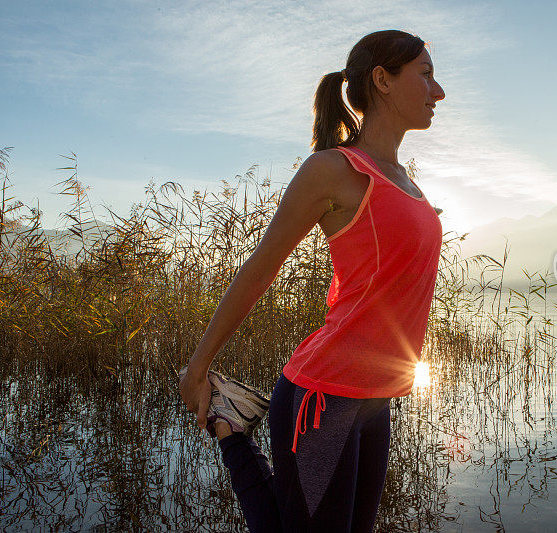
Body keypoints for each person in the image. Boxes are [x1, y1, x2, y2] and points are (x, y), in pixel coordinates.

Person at [178, 29, 445, 532]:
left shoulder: (405, 179)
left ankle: (233, 426)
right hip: (323, 398)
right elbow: (260, 268)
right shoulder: (333, 170)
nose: (439, 91)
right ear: (382, 80)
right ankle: (233, 434)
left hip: (375, 399)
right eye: (426, 75)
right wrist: (199, 365)